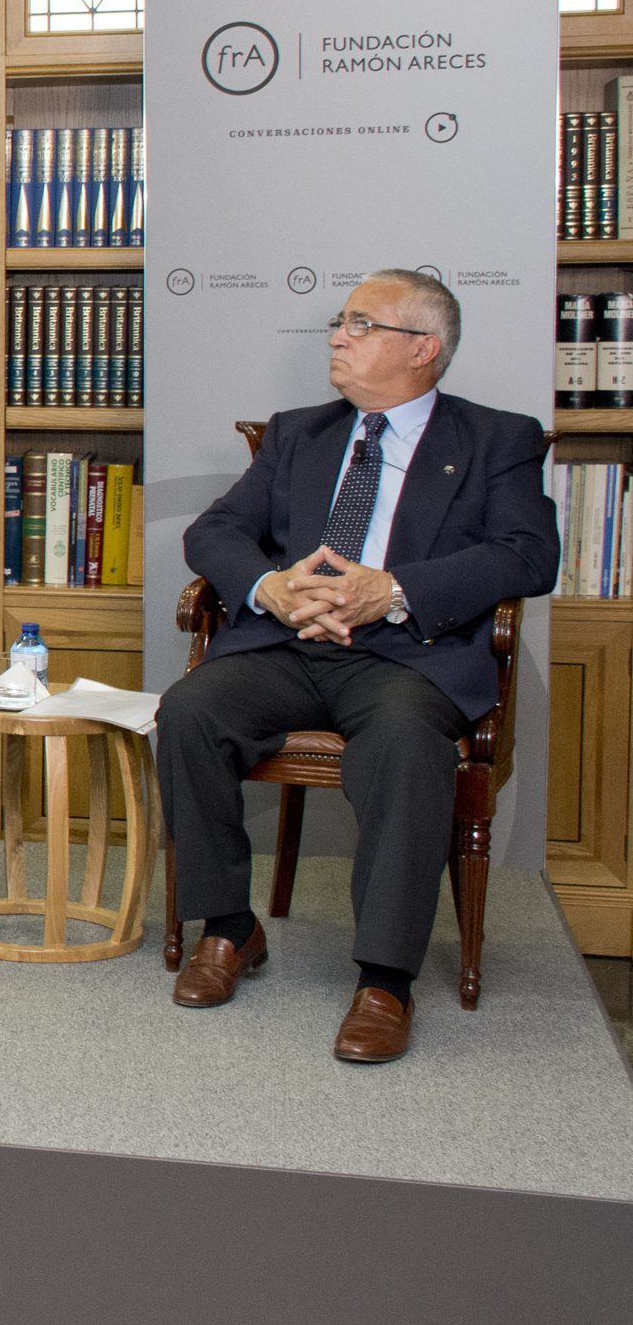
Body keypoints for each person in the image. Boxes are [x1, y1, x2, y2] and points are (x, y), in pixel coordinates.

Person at [160, 269, 556, 1063]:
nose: (337, 336)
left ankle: (384, 980)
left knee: (405, 746)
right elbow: (213, 531)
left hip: (406, 655)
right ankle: (228, 928)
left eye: (360, 324)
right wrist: (269, 587)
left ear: (422, 348)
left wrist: (393, 589)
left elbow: (528, 553)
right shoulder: (298, 433)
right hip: (287, 646)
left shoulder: (495, 439)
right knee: (189, 710)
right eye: (340, 322)